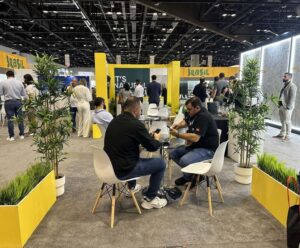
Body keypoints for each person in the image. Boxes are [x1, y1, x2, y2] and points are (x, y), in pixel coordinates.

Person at [104, 96, 167, 209]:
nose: (140, 113)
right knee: (161, 164)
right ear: (135, 110)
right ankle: (150, 199)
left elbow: (126, 141)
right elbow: (152, 147)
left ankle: (131, 187)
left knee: (132, 154)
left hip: (108, 167)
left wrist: (145, 136)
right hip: (124, 170)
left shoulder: (115, 120)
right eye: (140, 110)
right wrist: (156, 138)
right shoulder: (136, 124)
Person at [169, 96, 219, 187]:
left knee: (184, 161)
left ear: (197, 108)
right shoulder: (192, 113)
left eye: (189, 109)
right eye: (187, 109)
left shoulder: (204, 117)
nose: (188, 111)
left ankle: (190, 177)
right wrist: (177, 126)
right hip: (196, 146)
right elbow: (186, 121)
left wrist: (178, 135)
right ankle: (193, 176)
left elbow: (195, 137)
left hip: (208, 150)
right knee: (173, 154)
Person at [0, 70, 27, 141]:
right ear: (13, 75)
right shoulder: (19, 83)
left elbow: (1, 93)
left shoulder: (3, 82)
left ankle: (11, 136)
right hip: (18, 102)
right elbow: (23, 94)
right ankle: (21, 134)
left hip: (8, 102)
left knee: (10, 120)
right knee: (20, 119)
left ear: (7, 75)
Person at [273, 72, 297, 141]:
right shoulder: (284, 85)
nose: (283, 78)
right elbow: (282, 95)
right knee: (282, 120)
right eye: (283, 76)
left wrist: (288, 107)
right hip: (281, 105)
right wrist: (279, 104)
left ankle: (288, 135)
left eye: (285, 77)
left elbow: (292, 98)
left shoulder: (293, 86)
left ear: (289, 78)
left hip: (287, 107)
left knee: (287, 121)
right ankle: (282, 134)